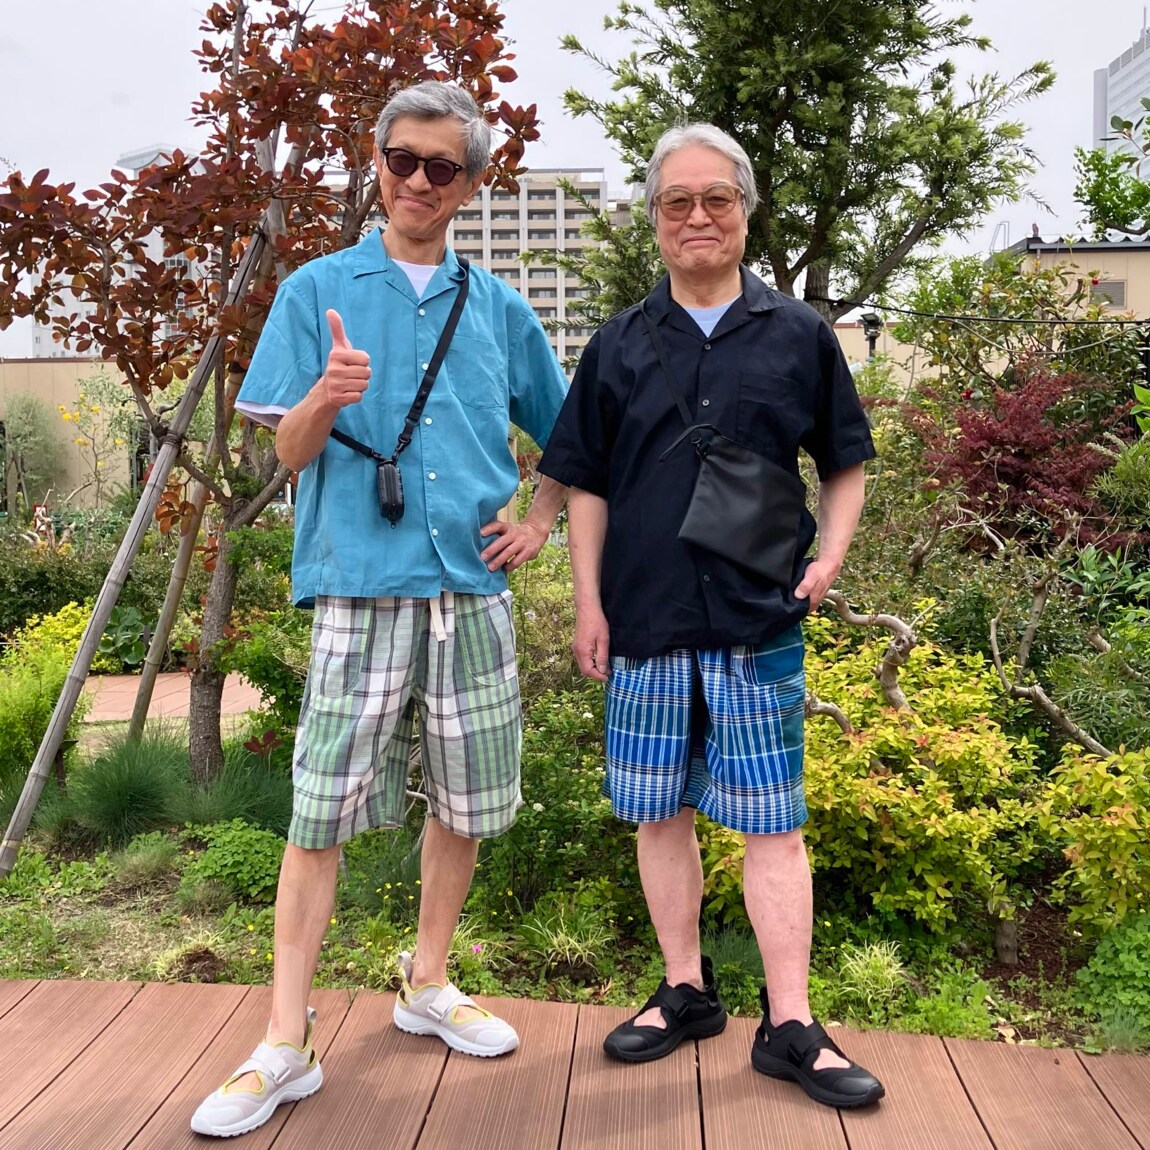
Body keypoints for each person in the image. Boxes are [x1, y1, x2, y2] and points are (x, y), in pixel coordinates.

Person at [190, 81, 568, 1139]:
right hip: (358, 584)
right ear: (377, 161)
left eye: (442, 167)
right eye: (401, 159)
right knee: (319, 812)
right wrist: (325, 395)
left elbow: (575, 430)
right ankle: (284, 1040)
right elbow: (286, 451)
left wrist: (539, 519)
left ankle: (427, 981)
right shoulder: (317, 289)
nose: (417, 181)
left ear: (470, 184)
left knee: (466, 800)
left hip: (470, 588)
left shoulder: (497, 307)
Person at [537, 123, 884, 1109]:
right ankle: (684, 990)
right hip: (643, 618)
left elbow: (845, 461)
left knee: (773, 823)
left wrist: (830, 555)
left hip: (756, 618)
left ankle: (790, 1024)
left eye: (716, 199)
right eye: (676, 201)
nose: (697, 216)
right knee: (658, 811)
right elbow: (586, 482)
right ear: (655, 217)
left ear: (744, 211)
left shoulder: (799, 334)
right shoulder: (616, 343)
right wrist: (588, 601)